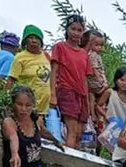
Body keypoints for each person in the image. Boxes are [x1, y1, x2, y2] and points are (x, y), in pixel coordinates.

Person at [50, 14, 92, 148]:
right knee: (72, 132)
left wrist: (87, 101)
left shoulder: (84, 53)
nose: (76, 33)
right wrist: (52, 94)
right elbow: (54, 71)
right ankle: (68, 165)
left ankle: (75, 162)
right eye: (73, 29)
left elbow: (85, 78)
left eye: (79, 30)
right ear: (67, 29)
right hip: (66, 90)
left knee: (80, 134)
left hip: (81, 95)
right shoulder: (60, 47)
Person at [5, 25, 52, 115]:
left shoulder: (46, 56)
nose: (34, 41)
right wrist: (7, 103)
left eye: (37, 38)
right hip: (27, 109)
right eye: (30, 37)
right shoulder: (20, 57)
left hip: (46, 108)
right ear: (25, 41)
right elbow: (11, 80)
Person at [80, 29, 110, 123]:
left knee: (92, 95)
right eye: (96, 45)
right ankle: (97, 110)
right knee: (106, 92)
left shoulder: (96, 56)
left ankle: (94, 113)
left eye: (101, 45)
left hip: (94, 83)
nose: (99, 48)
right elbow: (95, 69)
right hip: (94, 81)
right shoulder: (92, 55)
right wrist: (101, 80)